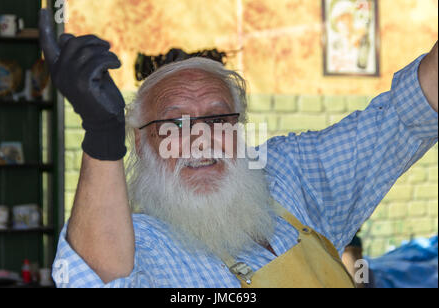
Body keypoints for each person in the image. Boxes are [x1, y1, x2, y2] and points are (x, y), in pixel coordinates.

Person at [39, 9, 438, 288]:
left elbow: (407, 113)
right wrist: (103, 134)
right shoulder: (141, 241)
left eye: (218, 119)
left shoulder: (289, 177)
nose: (203, 138)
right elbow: (99, 281)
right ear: (142, 143)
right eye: (175, 123)